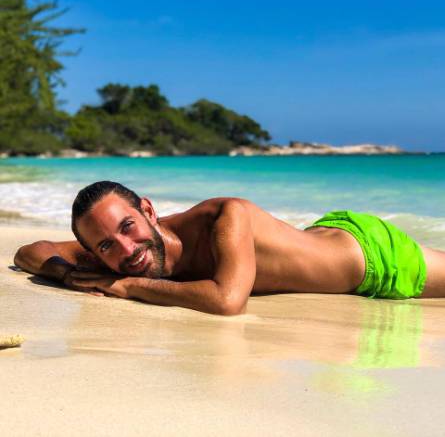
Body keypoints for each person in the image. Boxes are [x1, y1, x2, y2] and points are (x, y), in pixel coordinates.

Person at [14, 181, 445, 315]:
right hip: (323, 234)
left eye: (129, 226)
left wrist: (126, 286)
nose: (128, 249)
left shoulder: (224, 216)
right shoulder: (119, 252)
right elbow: (30, 251)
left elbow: (228, 301)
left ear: (148, 210)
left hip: (373, 259)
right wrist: (67, 274)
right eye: (106, 245)